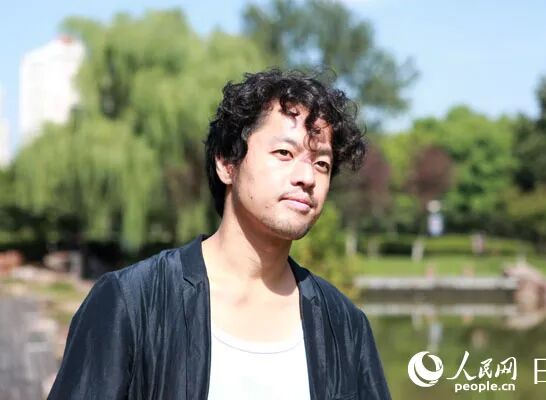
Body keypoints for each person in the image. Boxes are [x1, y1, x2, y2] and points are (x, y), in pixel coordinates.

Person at [48, 69, 391, 400]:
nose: (307, 177)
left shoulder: (343, 324)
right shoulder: (131, 303)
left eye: (322, 163)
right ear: (227, 163)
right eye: (284, 153)